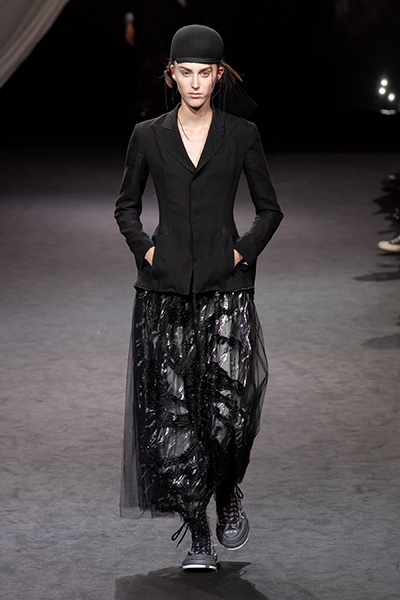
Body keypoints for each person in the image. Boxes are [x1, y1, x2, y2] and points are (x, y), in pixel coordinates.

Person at [115, 24, 283, 570]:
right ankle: (200, 535)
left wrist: (239, 254)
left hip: (226, 289)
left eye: (203, 73)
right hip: (163, 294)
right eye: (184, 73)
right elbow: (126, 206)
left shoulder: (242, 134)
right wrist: (147, 252)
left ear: (218, 75)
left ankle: (228, 492)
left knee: (227, 412)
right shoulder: (147, 134)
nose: (194, 83)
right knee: (175, 413)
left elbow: (269, 209)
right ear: (171, 74)